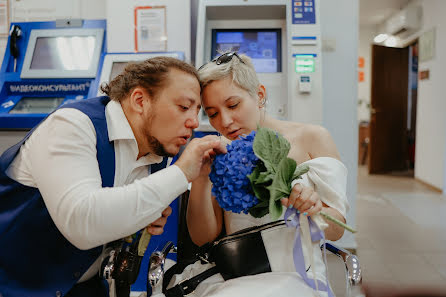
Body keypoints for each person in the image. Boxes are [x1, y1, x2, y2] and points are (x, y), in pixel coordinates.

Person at [0, 57, 226, 297]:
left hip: (85, 287)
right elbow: (82, 222)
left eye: (198, 111)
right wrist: (180, 173)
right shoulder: (71, 126)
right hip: (14, 285)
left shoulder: (158, 149)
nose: (193, 122)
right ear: (140, 101)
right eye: (183, 107)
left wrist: (139, 218)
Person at [183, 52, 350, 297]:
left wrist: (314, 209)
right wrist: (200, 179)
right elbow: (202, 238)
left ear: (259, 95)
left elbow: (337, 230)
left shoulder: (311, 139)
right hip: (238, 278)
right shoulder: (218, 153)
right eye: (213, 113)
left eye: (232, 105)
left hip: (301, 277)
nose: (225, 121)